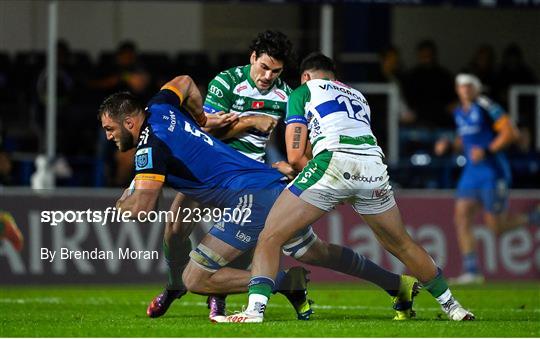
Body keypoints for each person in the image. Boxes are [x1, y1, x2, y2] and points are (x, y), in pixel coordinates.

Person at [99, 75, 422, 323]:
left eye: (110, 129)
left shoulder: (150, 148)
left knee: (196, 278)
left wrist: (122, 202)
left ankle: (285, 282)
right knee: (314, 251)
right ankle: (396, 284)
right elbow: (184, 81)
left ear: (129, 122)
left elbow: (141, 210)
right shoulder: (160, 107)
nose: (109, 137)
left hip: (248, 199)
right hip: (268, 183)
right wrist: (198, 117)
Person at [223, 53, 475, 323]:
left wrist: (327, 185)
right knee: (402, 243)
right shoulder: (357, 96)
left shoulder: (303, 91)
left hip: (334, 163)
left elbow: (296, 156)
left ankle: (254, 311)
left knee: (270, 235)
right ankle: (453, 307)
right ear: (334, 77)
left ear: (306, 76)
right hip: (373, 167)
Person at [147, 30, 296, 320]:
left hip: (249, 180)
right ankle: (175, 284)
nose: (267, 76)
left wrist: (286, 165)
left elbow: (293, 142)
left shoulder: (287, 96)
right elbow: (205, 130)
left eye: (275, 71)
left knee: (235, 249)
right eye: (264, 67)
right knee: (175, 230)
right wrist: (250, 121)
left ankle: (219, 300)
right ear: (253, 57)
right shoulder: (227, 82)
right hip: (210, 170)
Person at [434, 73, 540, 284]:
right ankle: (472, 271)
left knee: (496, 227)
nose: (465, 90)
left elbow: (510, 132)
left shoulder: (486, 105)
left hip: (493, 172)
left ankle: (533, 218)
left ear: (477, 88)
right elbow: (463, 141)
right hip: (471, 174)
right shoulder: (459, 112)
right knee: (461, 217)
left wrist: (488, 150)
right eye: (461, 86)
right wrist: (448, 146)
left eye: (469, 86)